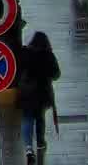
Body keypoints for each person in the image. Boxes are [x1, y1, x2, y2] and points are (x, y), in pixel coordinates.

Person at [16, 30, 61, 162]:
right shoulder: (48, 55)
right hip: (42, 92)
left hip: (26, 92)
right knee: (39, 117)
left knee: (27, 118)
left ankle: (29, 148)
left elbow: (17, 69)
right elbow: (56, 74)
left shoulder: (25, 53)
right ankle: (40, 142)